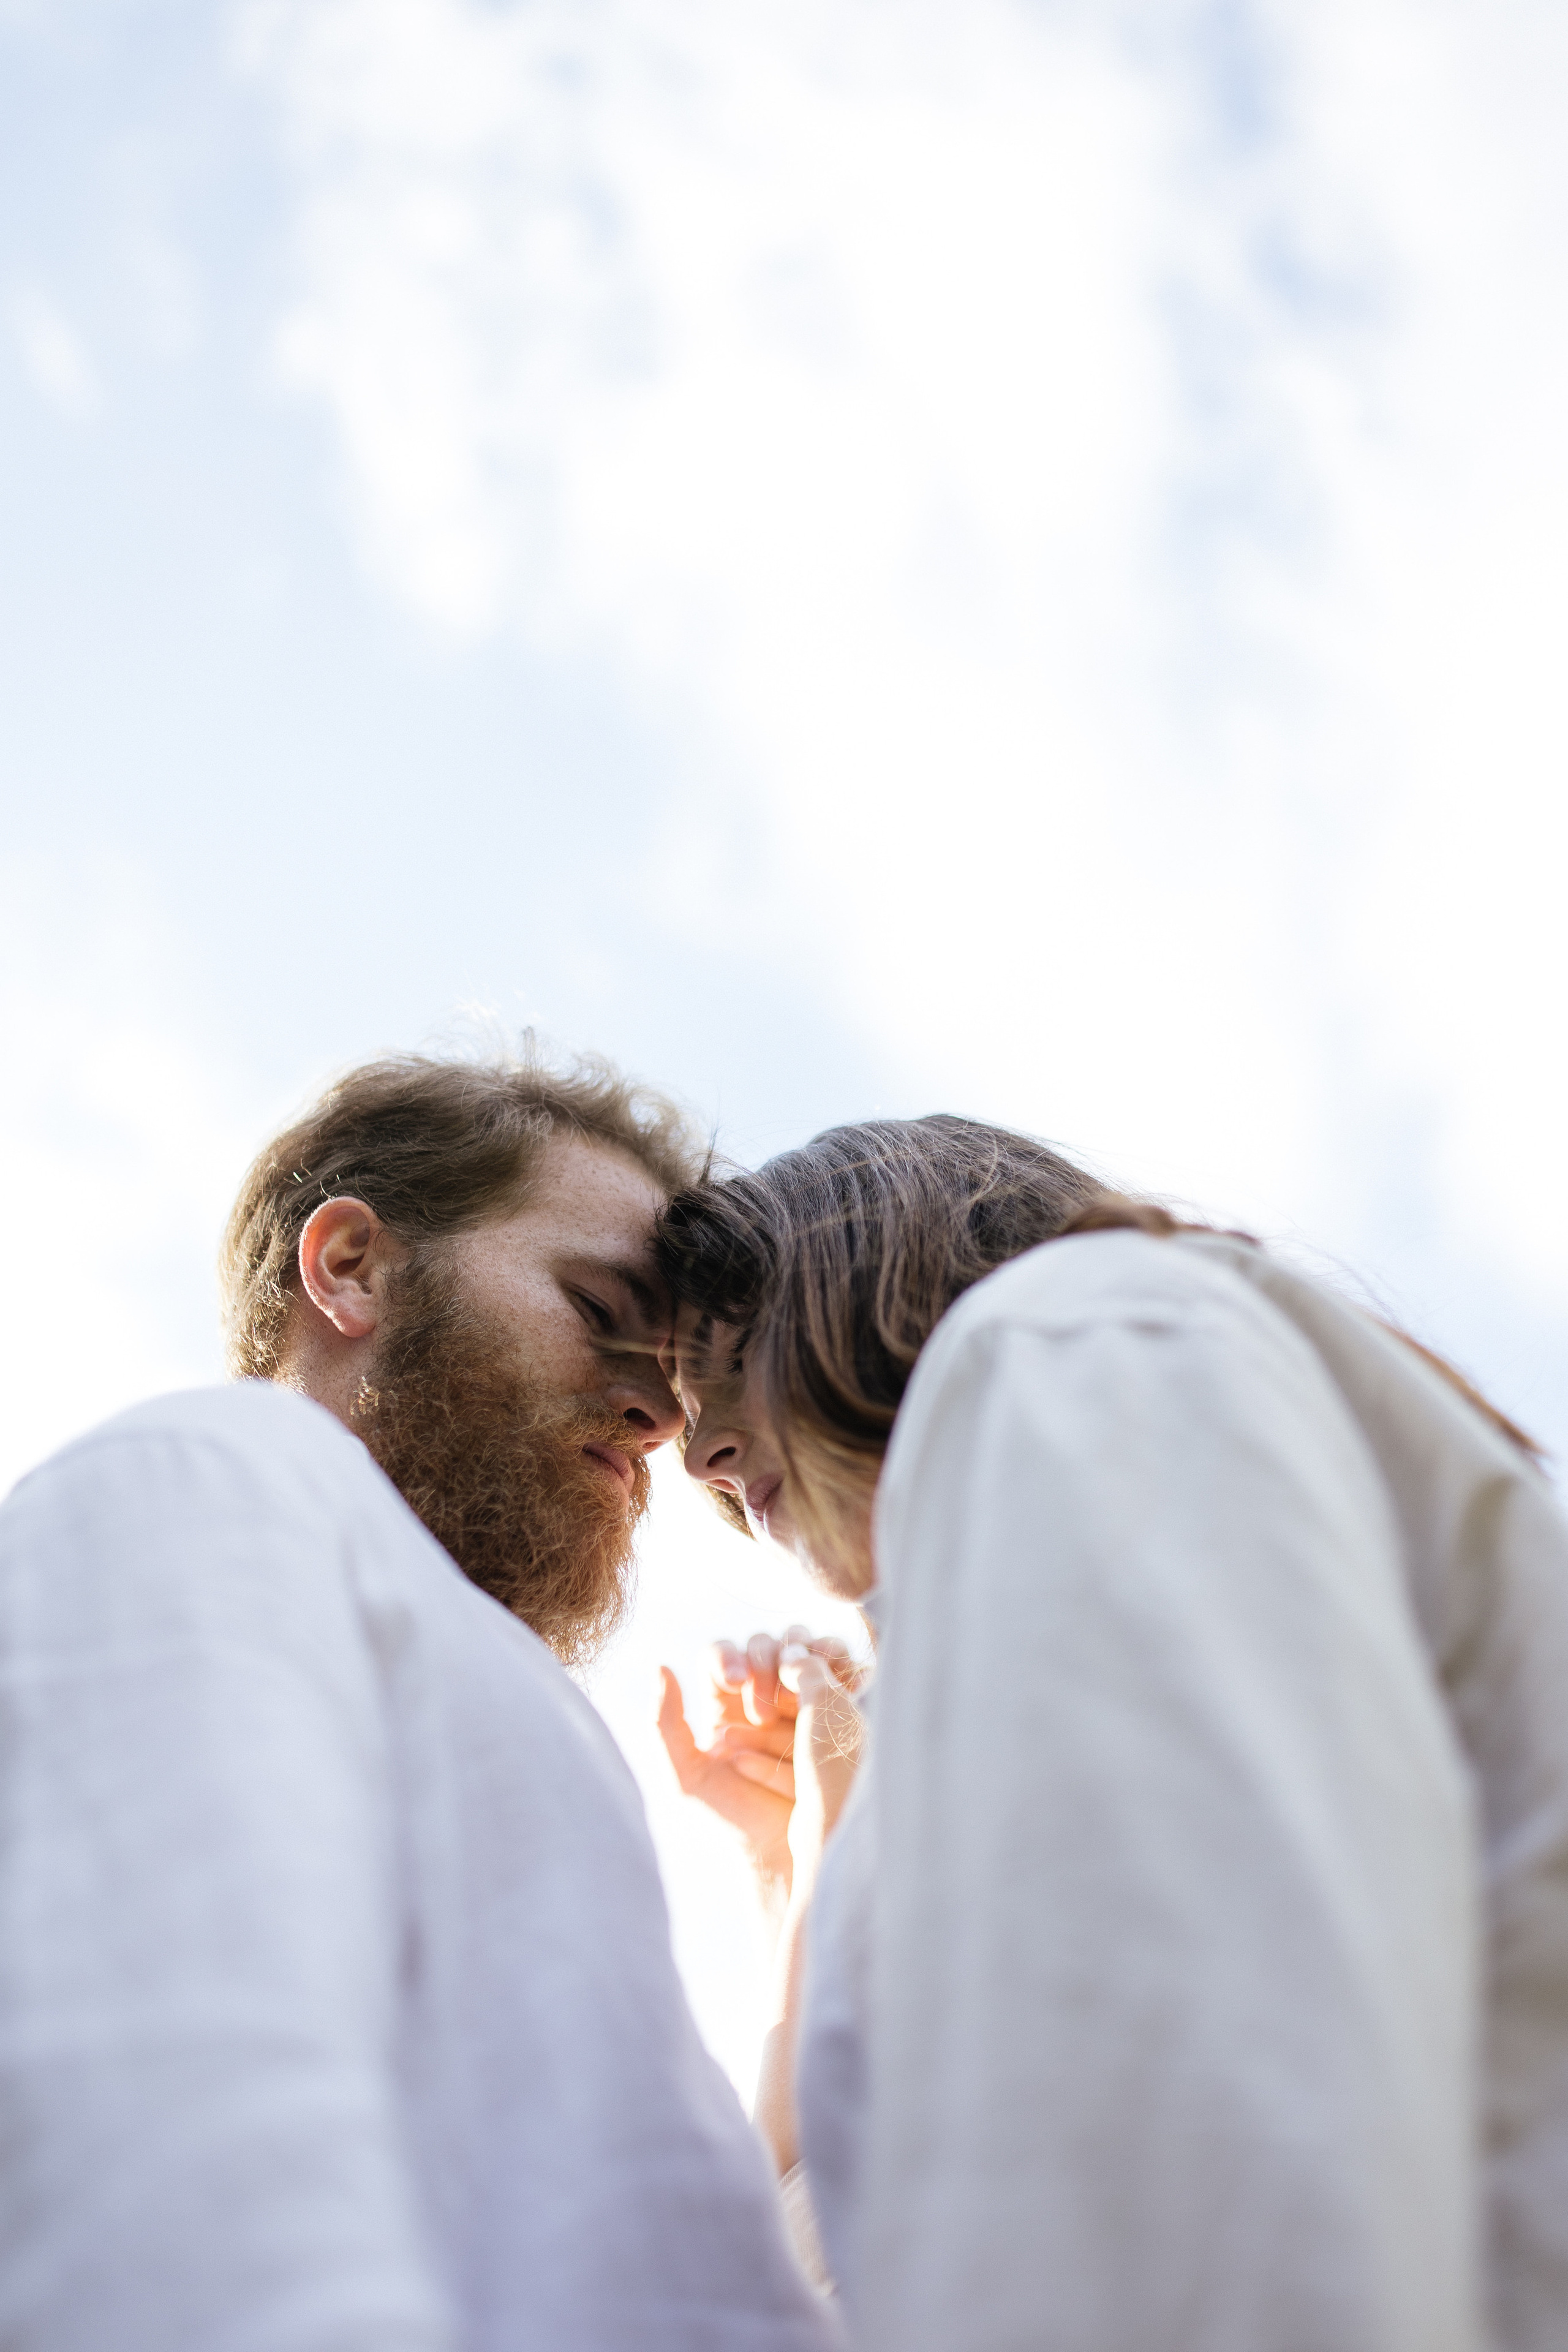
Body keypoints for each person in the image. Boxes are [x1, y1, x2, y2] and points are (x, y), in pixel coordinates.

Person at [655, 1114, 1568, 2352]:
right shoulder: (1071, 1430)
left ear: (857, 1253)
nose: (702, 1455)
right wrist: (800, 1861)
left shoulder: (1053, 1347)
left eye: (724, 1355)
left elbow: (1180, 2077)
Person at [0, 1046, 837, 2352]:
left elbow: (644, 2249)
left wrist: (802, 1877)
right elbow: (175, 2136)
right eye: (599, 1305)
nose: (654, 1413)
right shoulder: (216, 1479)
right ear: (350, 1268)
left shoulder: (463, 1662)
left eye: (674, 1376)